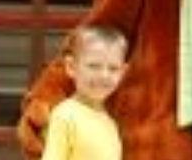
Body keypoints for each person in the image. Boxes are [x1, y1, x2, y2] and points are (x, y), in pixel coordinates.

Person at [41, 25, 129, 160]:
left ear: (123, 72)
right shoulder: (65, 115)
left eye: (113, 68)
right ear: (71, 67)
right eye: (94, 66)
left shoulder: (110, 122)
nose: (104, 75)